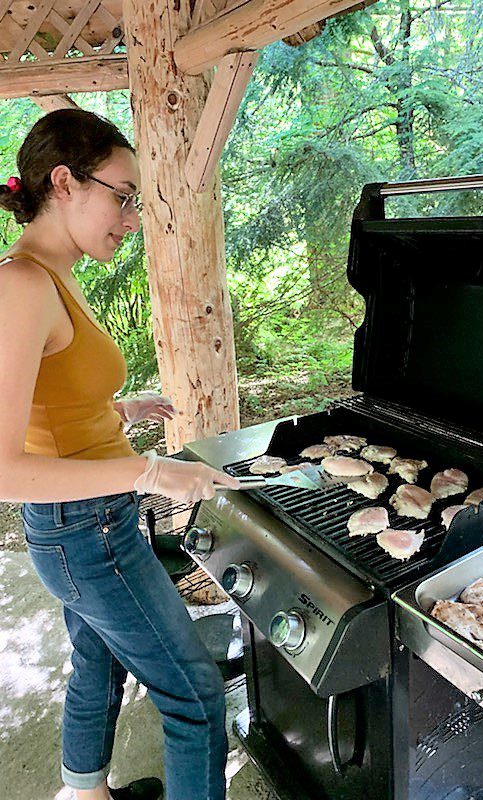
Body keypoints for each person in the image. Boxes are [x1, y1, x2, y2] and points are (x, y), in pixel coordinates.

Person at [0, 109, 240, 800]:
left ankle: (85, 793)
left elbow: (51, 401)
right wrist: (154, 469)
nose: (131, 218)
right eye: (124, 195)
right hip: (85, 533)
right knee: (195, 696)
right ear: (66, 182)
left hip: (89, 526)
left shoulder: (52, 274)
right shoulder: (20, 286)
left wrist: (119, 412)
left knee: (97, 663)